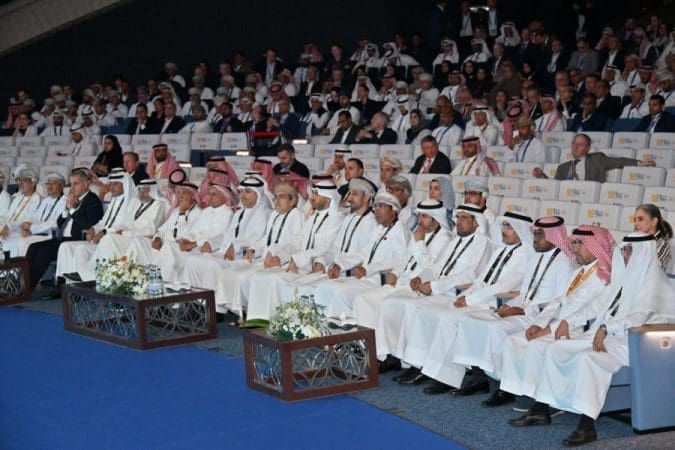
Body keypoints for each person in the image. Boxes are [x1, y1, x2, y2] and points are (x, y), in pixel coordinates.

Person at [530, 233, 674, 446]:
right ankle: (541, 409)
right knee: (556, 348)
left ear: (644, 253)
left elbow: (640, 316)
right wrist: (569, 321)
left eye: (630, 251)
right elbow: (597, 305)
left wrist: (607, 328)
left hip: (631, 344)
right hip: (603, 335)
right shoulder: (624, 278)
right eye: (624, 250)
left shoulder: (654, 282)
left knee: (589, 359)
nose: (625, 256)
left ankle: (587, 426)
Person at [431, 216, 576, 399]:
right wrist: (510, 306)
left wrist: (520, 310)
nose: (535, 239)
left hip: (540, 318)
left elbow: (557, 303)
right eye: (535, 234)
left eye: (540, 235)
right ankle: (479, 378)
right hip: (521, 309)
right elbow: (524, 294)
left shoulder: (564, 263)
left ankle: (503, 384)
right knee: (469, 321)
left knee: (494, 329)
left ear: (554, 237)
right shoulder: (537, 257)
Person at [501, 225, 616, 425]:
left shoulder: (603, 277)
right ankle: (527, 397)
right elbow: (557, 302)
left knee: (537, 346)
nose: (575, 249)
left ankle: (541, 407)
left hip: (576, 330)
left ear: (595, 246)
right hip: (556, 326)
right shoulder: (579, 272)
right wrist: (538, 324)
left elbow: (588, 313)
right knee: (515, 340)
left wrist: (547, 330)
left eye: (580, 244)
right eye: (574, 243)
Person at [238, 179, 345, 320]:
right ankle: (261, 320)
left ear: (329, 198)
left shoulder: (337, 220)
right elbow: (296, 242)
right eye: (313, 193)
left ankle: (276, 320)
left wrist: (297, 259)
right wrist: (279, 257)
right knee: (262, 276)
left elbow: (325, 248)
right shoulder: (313, 218)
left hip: (317, 268)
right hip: (301, 265)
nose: (312, 198)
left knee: (273, 278)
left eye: (316, 194)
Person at [180, 176, 273, 316]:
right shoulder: (240, 212)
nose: (243, 195)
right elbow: (226, 234)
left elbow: (256, 238)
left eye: (248, 192)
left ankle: (213, 310)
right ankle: (193, 303)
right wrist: (210, 243)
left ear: (258, 194)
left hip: (241, 258)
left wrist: (235, 245)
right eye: (241, 192)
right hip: (224, 253)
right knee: (192, 261)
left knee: (211, 265)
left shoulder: (264, 214)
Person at [310, 191, 411, 318]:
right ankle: (320, 325)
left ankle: (342, 327)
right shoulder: (379, 229)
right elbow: (364, 253)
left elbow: (398, 261)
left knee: (342, 294)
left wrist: (368, 269)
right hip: (364, 278)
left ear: (393, 210)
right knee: (324, 287)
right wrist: (340, 265)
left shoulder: (401, 231)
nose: (376, 210)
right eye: (375, 206)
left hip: (378, 281)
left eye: (381, 207)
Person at [27, 168, 103, 295]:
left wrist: (73, 209)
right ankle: (22, 284)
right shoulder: (73, 199)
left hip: (79, 239)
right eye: (71, 184)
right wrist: (67, 209)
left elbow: (87, 224)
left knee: (45, 251)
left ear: (85, 184)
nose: (72, 188)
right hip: (63, 237)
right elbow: (59, 223)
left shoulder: (92, 201)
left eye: (76, 184)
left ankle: (28, 288)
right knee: (34, 247)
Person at [75, 179, 168, 281]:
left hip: (141, 240)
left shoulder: (160, 205)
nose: (141, 193)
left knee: (109, 238)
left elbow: (151, 230)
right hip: (128, 237)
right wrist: (116, 230)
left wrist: (125, 233)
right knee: (109, 238)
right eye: (140, 190)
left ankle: (92, 274)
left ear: (153, 191)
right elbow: (125, 222)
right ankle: (92, 273)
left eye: (145, 190)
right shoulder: (136, 202)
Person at [57, 170, 135, 282]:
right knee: (66, 246)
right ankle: (65, 284)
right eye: (111, 183)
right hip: (102, 240)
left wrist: (103, 232)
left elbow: (124, 226)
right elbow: (103, 222)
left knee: (81, 248)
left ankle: (84, 279)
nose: (111, 187)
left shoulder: (131, 203)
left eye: (116, 183)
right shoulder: (115, 200)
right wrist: (93, 229)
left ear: (125, 185)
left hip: (115, 243)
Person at [123, 183, 203, 272]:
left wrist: (182, 213)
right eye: (180, 192)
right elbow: (162, 230)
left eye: (184, 193)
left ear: (193, 196)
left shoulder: (198, 213)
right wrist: (158, 238)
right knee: (138, 240)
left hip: (177, 250)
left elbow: (181, 236)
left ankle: (152, 274)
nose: (180, 195)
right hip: (162, 246)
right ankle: (126, 271)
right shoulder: (176, 210)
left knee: (168, 246)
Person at [532, 133, 651, 182]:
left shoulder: (597, 159)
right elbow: (555, 186)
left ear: (588, 148)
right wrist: (542, 176)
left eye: (580, 145)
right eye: (574, 144)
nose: (575, 147)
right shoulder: (563, 167)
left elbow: (619, 161)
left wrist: (640, 163)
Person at [3, 172, 67, 258]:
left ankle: (20, 267)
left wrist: (32, 228)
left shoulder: (64, 201)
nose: (50, 186)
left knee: (21, 243)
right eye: (48, 183)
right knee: (9, 240)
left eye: (53, 183)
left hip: (48, 236)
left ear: (62, 186)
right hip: (36, 233)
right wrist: (22, 225)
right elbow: (34, 217)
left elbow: (54, 223)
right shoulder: (46, 200)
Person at [0, 165, 42, 239]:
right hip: (7, 231)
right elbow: (7, 216)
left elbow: (28, 219)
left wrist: (9, 226)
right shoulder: (18, 198)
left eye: (24, 180)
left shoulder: (37, 199)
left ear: (33, 183)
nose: (20, 183)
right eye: (19, 180)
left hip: (20, 233)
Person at [633, 204, 673, 271]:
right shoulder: (637, 241)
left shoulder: (661, 245)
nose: (636, 224)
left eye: (640, 219)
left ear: (654, 221)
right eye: (635, 220)